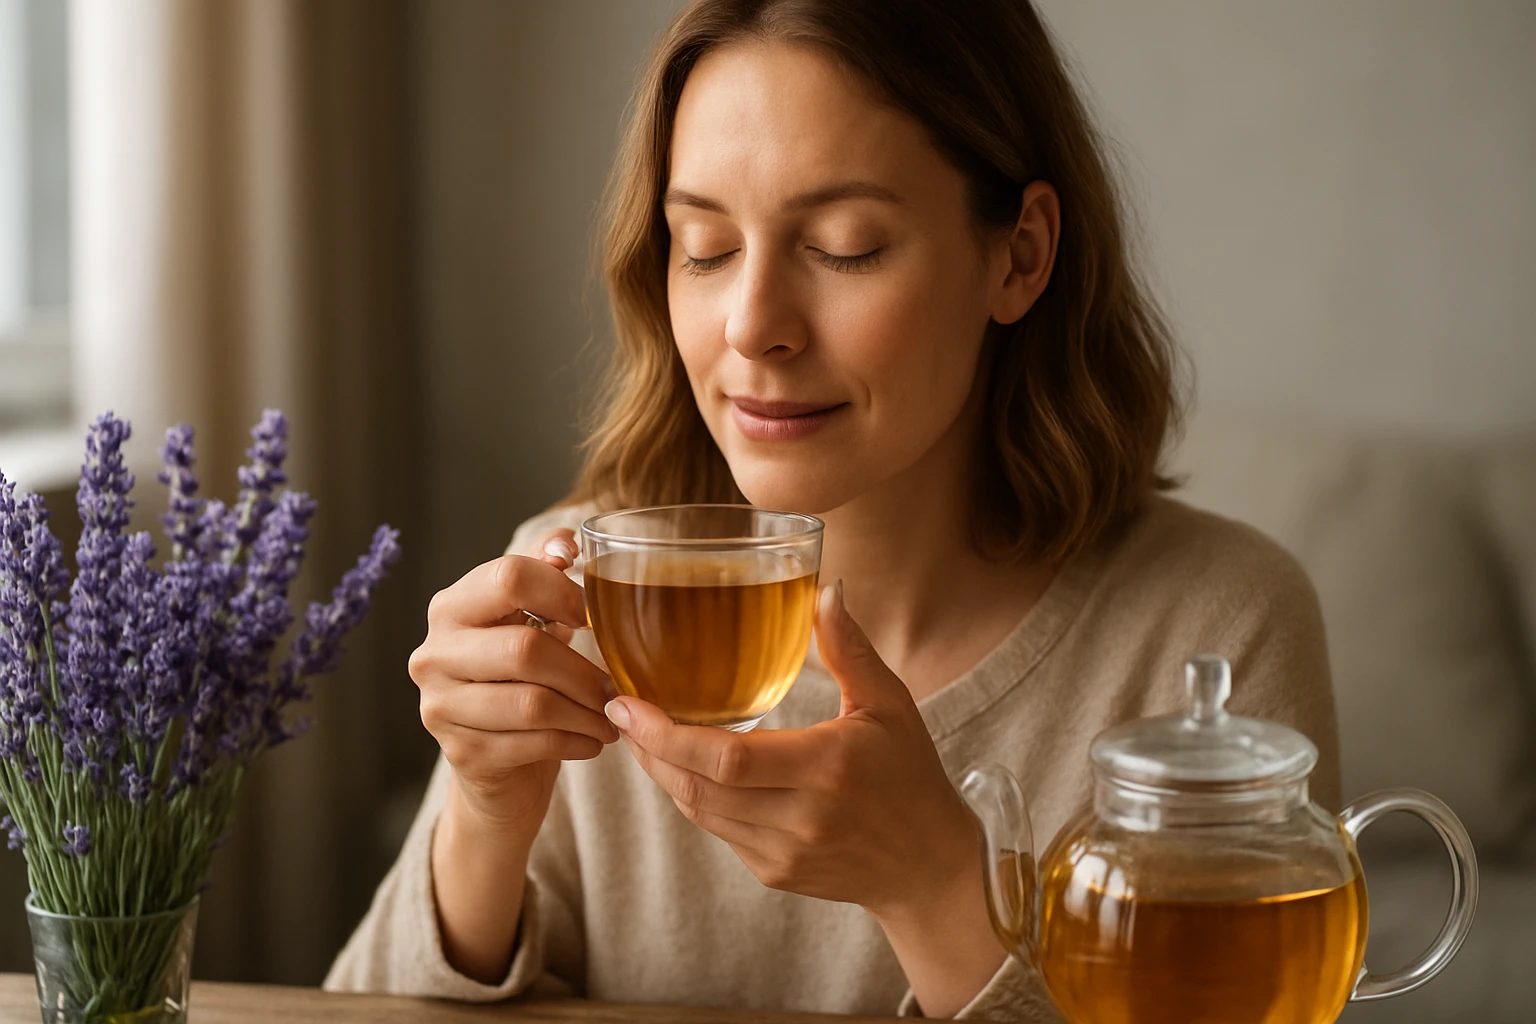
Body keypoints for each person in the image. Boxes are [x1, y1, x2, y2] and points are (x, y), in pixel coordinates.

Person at [324, 0, 1339, 1019]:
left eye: (847, 247)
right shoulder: (575, 601)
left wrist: (936, 890)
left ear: (1020, 255)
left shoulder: (1213, 629)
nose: (752, 324)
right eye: (705, 247)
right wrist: (486, 813)